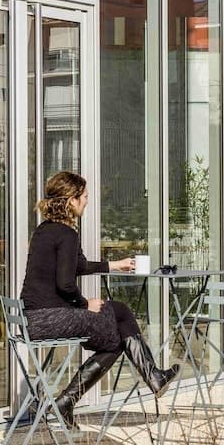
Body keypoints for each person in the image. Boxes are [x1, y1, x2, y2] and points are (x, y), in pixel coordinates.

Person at [20, 170, 179, 426]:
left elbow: (78, 265)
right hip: (51, 319)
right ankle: (69, 400)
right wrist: (86, 305)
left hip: (32, 319)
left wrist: (115, 265)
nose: (87, 200)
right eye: (84, 196)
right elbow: (65, 283)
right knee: (117, 333)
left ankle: (150, 377)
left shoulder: (44, 230)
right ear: (71, 200)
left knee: (118, 318)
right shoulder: (67, 234)